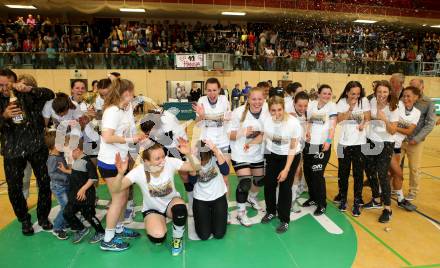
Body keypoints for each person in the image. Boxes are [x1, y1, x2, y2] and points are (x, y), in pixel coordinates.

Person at [111, 140, 200, 255]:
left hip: (171, 203)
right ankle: (159, 221)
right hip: (152, 209)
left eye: (163, 156)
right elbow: (116, 189)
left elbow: (195, 167)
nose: (162, 160)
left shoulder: (169, 162)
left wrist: (188, 154)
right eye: (157, 158)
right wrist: (120, 174)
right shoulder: (139, 171)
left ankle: (177, 240)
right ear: (147, 161)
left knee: (180, 209)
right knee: (158, 238)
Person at [0, 68, 55, 235]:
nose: (3, 88)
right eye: (0, 85)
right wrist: (4, 116)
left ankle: (43, 217)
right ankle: (24, 220)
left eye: (6, 84)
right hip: (12, 150)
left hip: (36, 146)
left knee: (44, 183)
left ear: (14, 82)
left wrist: (28, 88)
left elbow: (50, 94)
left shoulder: (28, 95)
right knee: (14, 188)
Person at [97, 79, 146, 251]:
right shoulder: (112, 111)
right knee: (118, 199)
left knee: (123, 197)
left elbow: (130, 131)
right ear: (124, 92)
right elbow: (107, 137)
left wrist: (139, 137)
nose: (133, 95)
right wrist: (131, 139)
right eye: (131, 92)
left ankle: (118, 228)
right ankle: (108, 239)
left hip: (121, 161)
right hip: (110, 163)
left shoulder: (127, 108)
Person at [261, 96, 302, 234]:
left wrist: (286, 170)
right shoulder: (266, 120)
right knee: (269, 184)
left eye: (279, 110)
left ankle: (285, 219)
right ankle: (271, 211)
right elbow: (264, 136)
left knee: (285, 187)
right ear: (269, 110)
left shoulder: (293, 123)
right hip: (274, 154)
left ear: (284, 108)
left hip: (291, 156)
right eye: (273, 110)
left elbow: (292, 148)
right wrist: (249, 143)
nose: (277, 113)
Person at [228, 87, 268, 226]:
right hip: (240, 153)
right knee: (245, 183)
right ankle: (241, 213)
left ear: (264, 99)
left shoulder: (268, 111)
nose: (257, 102)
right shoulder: (238, 113)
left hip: (258, 153)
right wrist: (242, 133)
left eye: (260, 99)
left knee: (259, 181)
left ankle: (252, 198)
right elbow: (229, 135)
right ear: (248, 99)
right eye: (254, 99)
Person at [363, 80, 399, 223]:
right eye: (379, 92)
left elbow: (392, 131)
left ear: (389, 92)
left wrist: (385, 120)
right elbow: (369, 117)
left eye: (384, 92)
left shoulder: (394, 107)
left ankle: (387, 209)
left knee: (382, 174)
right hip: (370, 140)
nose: (381, 95)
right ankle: (375, 199)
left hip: (385, 143)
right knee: (370, 171)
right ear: (375, 92)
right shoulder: (371, 101)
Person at [60, 138, 106, 244]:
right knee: (67, 212)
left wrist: (83, 189)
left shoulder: (87, 162)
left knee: (88, 215)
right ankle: (81, 229)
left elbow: (93, 178)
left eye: (71, 151)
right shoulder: (77, 161)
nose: (69, 154)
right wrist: (65, 170)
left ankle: (100, 232)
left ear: (77, 150)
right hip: (75, 195)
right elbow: (76, 173)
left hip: (86, 195)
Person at [335, 81, 370, 217]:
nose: (355, 96)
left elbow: (367, 118)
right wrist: (349, 109)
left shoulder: (364, 101)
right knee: (343, 173)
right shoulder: (342, 102)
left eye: (358, 94)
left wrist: (363, 125)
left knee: (358, 174)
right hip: (343, 143)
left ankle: (357, 201)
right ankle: (343, 199)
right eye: (353, 94)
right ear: (347, 92)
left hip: (359, 143)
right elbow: (338, 120)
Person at [302, 85, 337, 216]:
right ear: (319, 94)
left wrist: (328, 141)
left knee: (317, 174)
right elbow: (309, 120)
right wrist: (308, 132)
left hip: (322, 145)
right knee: (308, 172)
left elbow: (332, 126)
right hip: (309, 144)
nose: (327, 96)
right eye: (324, 93)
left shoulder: (332, 107)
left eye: (329, 93)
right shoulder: (312, 104)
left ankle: (322, 203)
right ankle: (313, 197)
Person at [400, 78, 436, 200]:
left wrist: (417, 138)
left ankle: (413, 191)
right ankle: (393, 187)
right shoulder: (403, 99)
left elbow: (430, 123)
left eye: (416, 87)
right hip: (400, 139)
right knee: (393, 164)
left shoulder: (428, 102)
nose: (414, 89)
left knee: (414, 168)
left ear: (422, 87)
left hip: (415, 142)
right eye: (411, 86)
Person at [389, 86, 421, 212]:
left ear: (416, 97)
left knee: (391, 173)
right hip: (387, 143)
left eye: (409, 96)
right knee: (398, 174)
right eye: (404, 95)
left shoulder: (417, 113)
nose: (406, 98)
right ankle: (400, 199)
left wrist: (394, 127)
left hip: (398, 145)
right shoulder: (398, 106)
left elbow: (409, 131)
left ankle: (380, 194)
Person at [190, 140, 229, 240]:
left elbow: (225, 171)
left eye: (204, 159)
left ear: (209, 155)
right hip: (201, 199)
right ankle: (208, 216)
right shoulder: (192, 159)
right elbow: (192, 181)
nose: (202, 162)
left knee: (219, 234)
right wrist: (193, 161)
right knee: (204, 235)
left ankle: (213, 216)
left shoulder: (215, 155)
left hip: (218, 196)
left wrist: (215, 149)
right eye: (200, 159)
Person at [45, 130, 70, 240]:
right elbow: (52, 174)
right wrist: (65, 175)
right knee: (65, 206)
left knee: (67, 205)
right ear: (56, 145)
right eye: (62, 143)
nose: (64, 145)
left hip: (64, 184)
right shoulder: (52, 159)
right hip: (59, 186)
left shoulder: (60, 154)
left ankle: (64, 222)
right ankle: (57, 227)